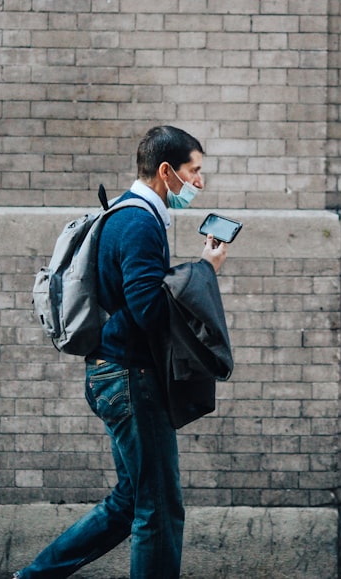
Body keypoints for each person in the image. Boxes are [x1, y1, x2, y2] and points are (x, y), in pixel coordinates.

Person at [13, 125, 228, 579]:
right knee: (159, 508)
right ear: (167, 171)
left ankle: (33, 578)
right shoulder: (138, 222)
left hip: (114, 376)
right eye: (195, 172)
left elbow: (140, 298)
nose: (200, 184)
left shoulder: (127, 214)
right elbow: (148, 309)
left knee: (129, 500)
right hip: (133, 380)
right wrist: (203, 271)